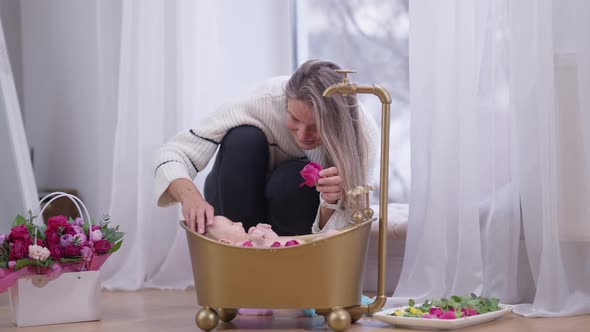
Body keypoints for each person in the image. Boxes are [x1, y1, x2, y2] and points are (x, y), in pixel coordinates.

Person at [154, 59, 379, 235]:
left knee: (293, 178)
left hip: (295, 218)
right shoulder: (266, 100)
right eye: (294, 119)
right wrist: (190, 198)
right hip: (233, 204)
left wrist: (331, 202)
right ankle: (241, 254)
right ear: (285, 103)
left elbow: (350, 224)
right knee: (243, 138)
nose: (303, 135)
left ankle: (284, 261)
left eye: (317, 127)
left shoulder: (362, 133)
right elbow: (173, 153)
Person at [204, 215, 302, 247]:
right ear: (226, 242)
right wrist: (259, 243)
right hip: (287, 255)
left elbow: (275, 240)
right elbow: (259, 260)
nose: (240, 223)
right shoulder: (240, 249)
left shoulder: (250, 239)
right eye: (232, 224)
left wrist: (267, 232)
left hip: (292, 247)